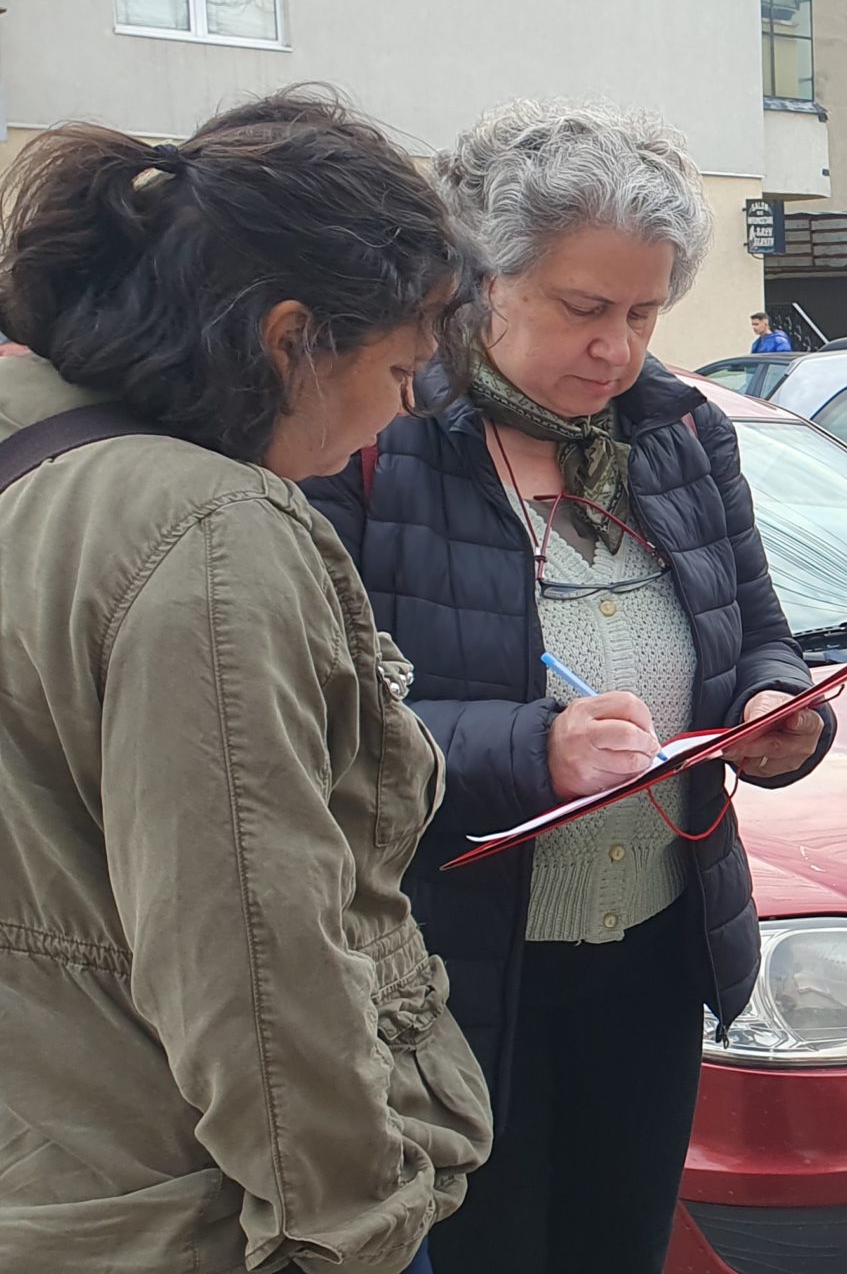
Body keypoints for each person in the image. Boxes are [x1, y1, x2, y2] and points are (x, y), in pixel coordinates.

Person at [305, 100, 838, 1273]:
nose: (619, 349)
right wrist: (525, 747)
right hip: (453, 967)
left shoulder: (683, 437)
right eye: (584, 309)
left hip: (654, 947)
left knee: (619, 1243)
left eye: (646, 313)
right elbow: (314, 725)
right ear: (482, 281)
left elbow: (757, 634)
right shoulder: (376, 444)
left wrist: (776, 714)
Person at [0, 92, 491, 1272]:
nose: (402, 413)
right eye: (398, 367)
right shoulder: (211, 534)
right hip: (203, 1210)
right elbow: (254, 959)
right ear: (287, 342)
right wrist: (354, 1231)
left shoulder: (32, 461)